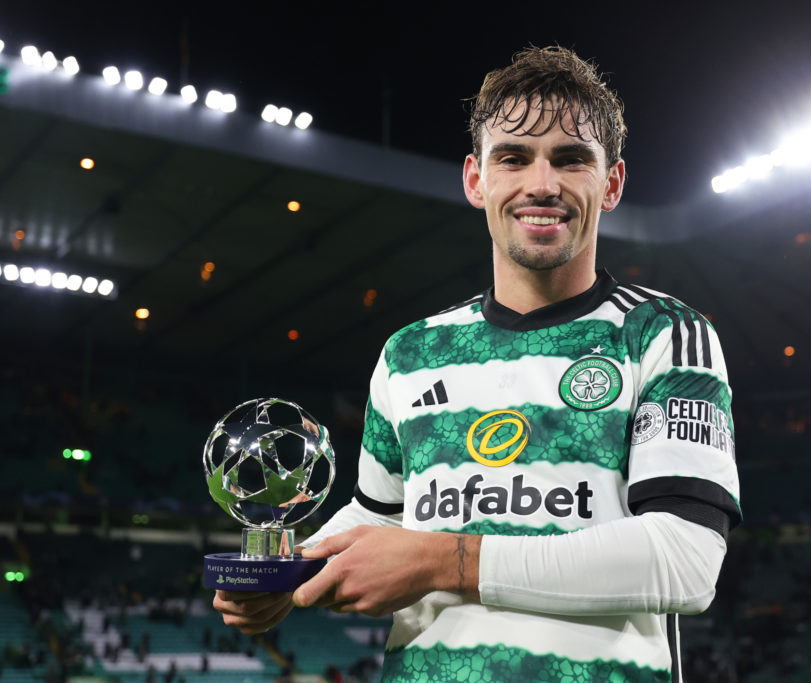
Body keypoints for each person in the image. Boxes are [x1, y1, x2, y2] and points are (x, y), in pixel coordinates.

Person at [214, 46, 741, 682]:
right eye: (513, 158)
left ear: (612, 183)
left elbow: (685, 559)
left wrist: (446, 562)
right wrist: (290, 573)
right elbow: (381, 520)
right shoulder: (411, 353)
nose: (540, 184)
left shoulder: (662, 334)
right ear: (475, 179)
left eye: (570, 160)